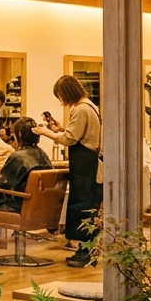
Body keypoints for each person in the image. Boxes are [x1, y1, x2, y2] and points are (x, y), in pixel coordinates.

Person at [34, 75, 102, 267]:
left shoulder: (80, 109)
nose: (61, 101)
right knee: (88, 205)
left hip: (84, 165)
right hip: (87, 163)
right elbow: (77, 134)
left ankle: (85, 252)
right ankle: (87, 250)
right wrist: (60, 129)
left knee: (82, 206)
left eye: (60, 97)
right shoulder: (91, 106)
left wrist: (46, 132)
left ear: (67, 93)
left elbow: (70, 139)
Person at [0, 118, 51, 251]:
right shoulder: (43, 155)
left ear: (19, 135)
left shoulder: (18, 157)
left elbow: (0, 185)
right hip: (40, 207)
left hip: (19, 206)